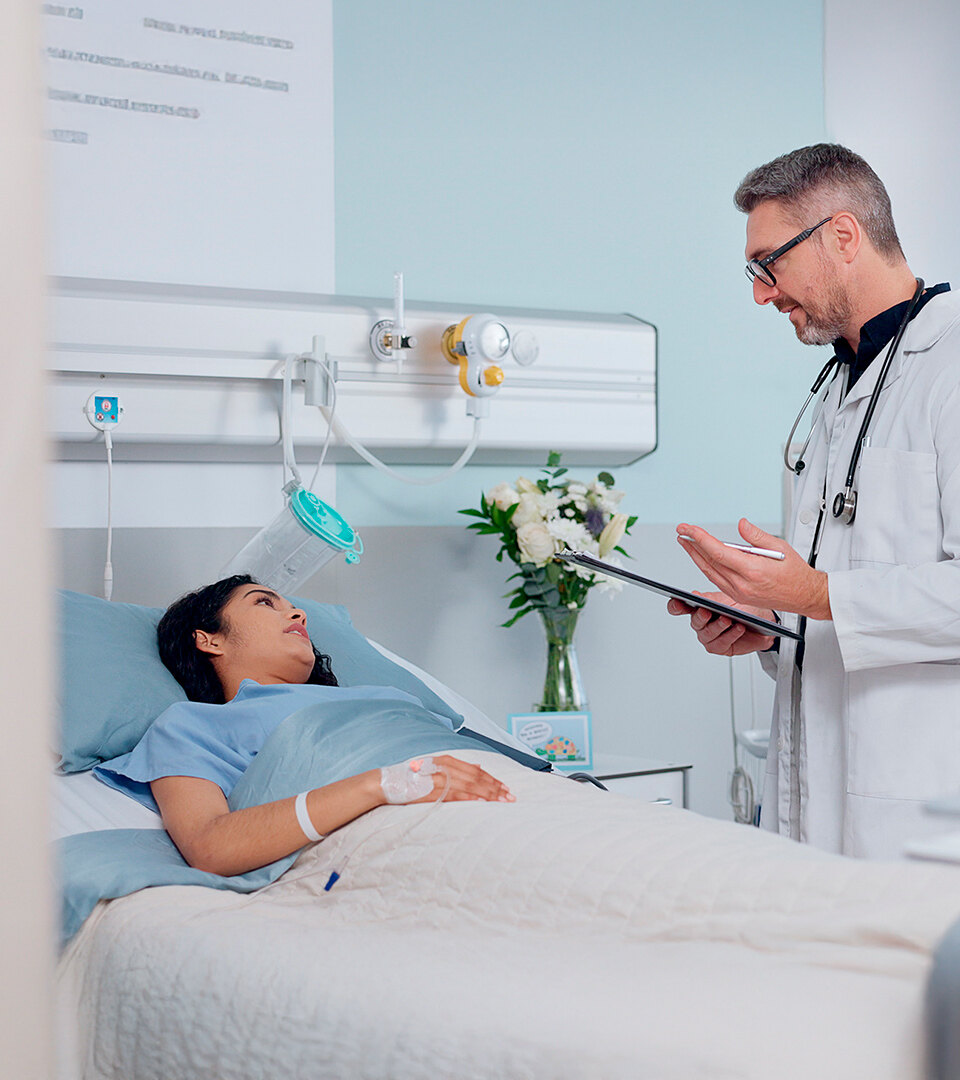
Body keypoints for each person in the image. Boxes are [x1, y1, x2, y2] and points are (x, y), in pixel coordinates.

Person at [667, 143, 960, 859]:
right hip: (816, 794)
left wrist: (820, 595)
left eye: (770, 264)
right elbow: (835, 599)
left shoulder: (949, 367)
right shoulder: (838, 390)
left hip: (920, 803)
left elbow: (844, 593)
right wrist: (771, 622)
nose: (762, 292)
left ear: (842, 236)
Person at [93, 575, 516, 876]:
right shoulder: (191, 726)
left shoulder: (388, 698)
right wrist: (382, 784)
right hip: (418, 833)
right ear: (210, 639)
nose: (297, 612)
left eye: (290, 605)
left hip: (521, 799)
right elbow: (210, 845)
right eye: (263, 602)